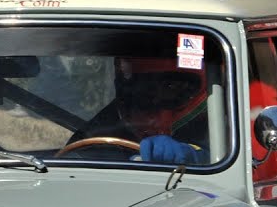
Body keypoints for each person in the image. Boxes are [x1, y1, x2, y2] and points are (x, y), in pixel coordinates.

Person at [69, 57, 209, 164]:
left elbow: (224, 164)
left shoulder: (216, 118)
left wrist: (197, 156)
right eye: (146, 87)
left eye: (171, 86)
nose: (157, 96)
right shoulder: (103, 127)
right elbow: (70, 164)